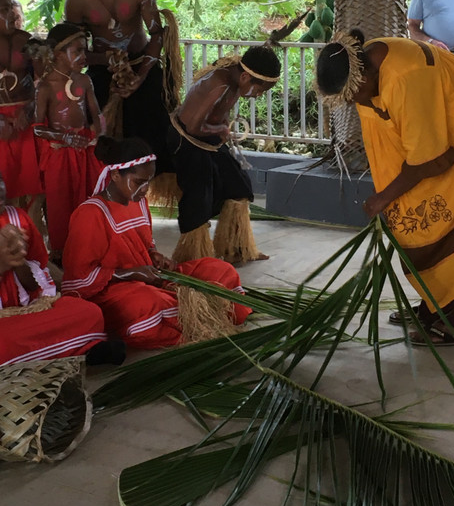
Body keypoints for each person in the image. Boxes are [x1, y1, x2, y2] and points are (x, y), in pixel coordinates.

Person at [316, 30, 454, 346]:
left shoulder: (406, 77)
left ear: (363, 76)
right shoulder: (367, 63)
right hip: (450, 125)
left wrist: (384, 197)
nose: (355, 103)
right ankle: (437, 303)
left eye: (354, 95)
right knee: (416, 217)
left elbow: (433, 161)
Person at [61, 137, 251, 349]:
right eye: (139, 182)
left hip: (150, 278)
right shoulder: (90, 213)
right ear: (115, 175)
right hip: (113, 291)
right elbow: (78, 279)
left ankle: (195, 316)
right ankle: (197, 318)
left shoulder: (139, 202)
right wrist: (131, 273)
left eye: (148, 181)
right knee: (148, 303)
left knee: (219, 270)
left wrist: (155, 256)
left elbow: (145, 245)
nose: (145, 189)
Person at [65, 0, 178, 173]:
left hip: (142, 66)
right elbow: (73, 52)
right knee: (103, 140)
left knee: (156, 130)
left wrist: (141, 75)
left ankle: (153, 179)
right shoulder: (76, 0)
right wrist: (105, 59)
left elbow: (157, 33)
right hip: (101, 72)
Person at [167, 45, 281, 264]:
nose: (258, 96)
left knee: (239, 186)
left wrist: (222, 125)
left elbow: (219, 112)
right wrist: (220, 130)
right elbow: (192, 127)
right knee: (199, 196)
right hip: (185, 140)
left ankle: (236, 248)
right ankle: (194, 257)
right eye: (259, 90)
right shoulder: (218, 84)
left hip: (207, 139)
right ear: (247, 77)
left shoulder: (236, 77)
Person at [0, 172, 115, 366]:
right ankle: (80, 350)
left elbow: (34, 287)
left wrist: (18, 261)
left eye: (0, 180)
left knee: (89, 312)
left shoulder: (17, 218)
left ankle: (43, 356)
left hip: (26, 314)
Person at [33, 23, 104, 263]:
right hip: (59, 154)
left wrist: (97, 133)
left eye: (85, 51)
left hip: (85, 150)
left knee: (88, 199)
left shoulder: (84, 81)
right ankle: (61, 254)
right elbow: (38, 128)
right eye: (78, 51)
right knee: (60, 204)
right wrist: (63, 138)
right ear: (58, 54)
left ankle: (87, 247)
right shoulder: (45, 87)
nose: (84, 57)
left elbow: (96, 114)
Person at [0, 0, 42, 202]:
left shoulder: (26, 40)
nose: (9, 15)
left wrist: (31, 107)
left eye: (9, 8)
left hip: (25, 120)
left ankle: (31, 230)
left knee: (31, 189)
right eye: (2, 10)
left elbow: (45, 81)